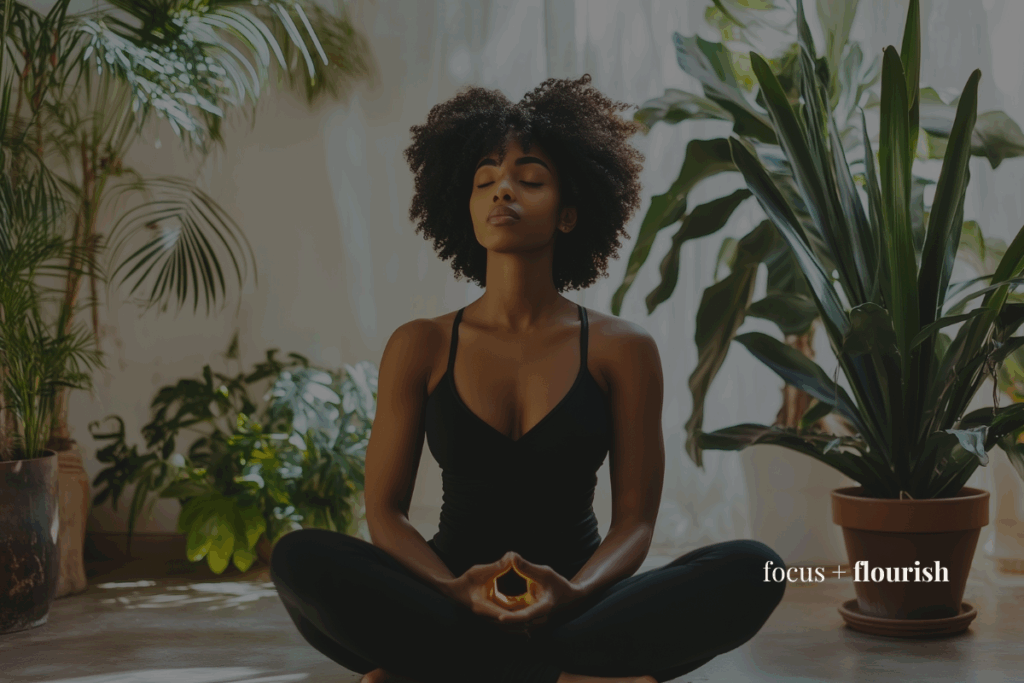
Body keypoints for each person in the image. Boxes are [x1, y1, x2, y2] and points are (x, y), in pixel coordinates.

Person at [270, 74, 786, 683]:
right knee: (300, 556)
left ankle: (445, 673)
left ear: (569, 213)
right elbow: (385, 513)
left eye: (530, 179)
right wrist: (455, 589)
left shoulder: (623, 349)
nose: (503, 192)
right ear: (463, 207)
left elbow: (636, 524)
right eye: (485, 181)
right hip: (446, 598)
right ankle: (563, 676)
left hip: (579, 600)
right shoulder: (421, 344)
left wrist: (571, 591)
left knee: (757, 566)